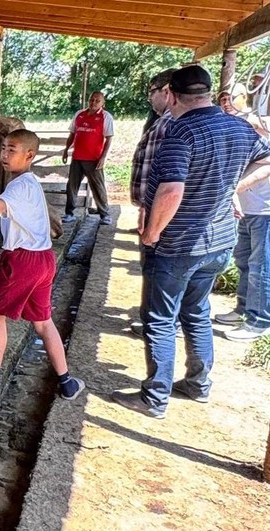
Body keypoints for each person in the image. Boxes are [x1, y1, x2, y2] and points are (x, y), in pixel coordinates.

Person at [111, 65, 270, 418]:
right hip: (219, 242)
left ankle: (155, 398)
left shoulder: (181, 132)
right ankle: (198, 384)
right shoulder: (238, 127)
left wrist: (152, 233)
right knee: (196, 312)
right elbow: (266, 159)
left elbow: (171, 191)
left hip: (178, 243)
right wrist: (233, 187)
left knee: (160, 319)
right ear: (208, 91)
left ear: (171, 94)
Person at [0, 129, 85, 401]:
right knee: (43, 322)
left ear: (29, 155)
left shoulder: (20, 186)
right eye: (4, 148)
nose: (5, 155)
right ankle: (67, 382)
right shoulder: (29, 183)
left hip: (23, 260)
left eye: (12, 150)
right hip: (43, 258)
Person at [128, 69, 177, 338]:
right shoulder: (164, 121)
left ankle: (158, 324)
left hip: (162, 212)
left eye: (152, 92)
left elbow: (163, 177)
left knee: (158, 267)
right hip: (158, 208)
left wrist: (150, 215)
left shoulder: (170, 124)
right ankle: (159, 320)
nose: (150, 98)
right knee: (158, 269)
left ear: (166, 91)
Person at [213, 147, 270, 343]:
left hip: (265, 212)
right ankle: (244, 309)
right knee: (244, 263)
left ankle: (260, 321)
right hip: (248, 209)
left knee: (261, 268)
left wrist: (231, 190)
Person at [62, 91, 115, 225]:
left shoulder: (105, 117)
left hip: (94, 159)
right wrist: (66, 150)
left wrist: (103, 157)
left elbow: (109, 138)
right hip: (77, 157)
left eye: (97, 100)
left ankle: (105, 215)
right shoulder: (79, 114)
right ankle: (69, 213)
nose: (93, 102)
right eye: (92, 99)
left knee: (98, 187)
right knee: (72, 186)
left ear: (103, 103)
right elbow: (72, 134)